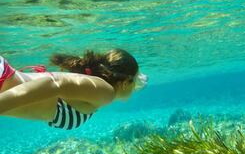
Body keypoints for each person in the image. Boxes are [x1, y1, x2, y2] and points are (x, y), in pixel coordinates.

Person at [0, 49, 148, 130]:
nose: (135, 87)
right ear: (125, 83)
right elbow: (54, 84)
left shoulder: (97, 91)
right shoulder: (106, 92)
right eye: (135, 81)